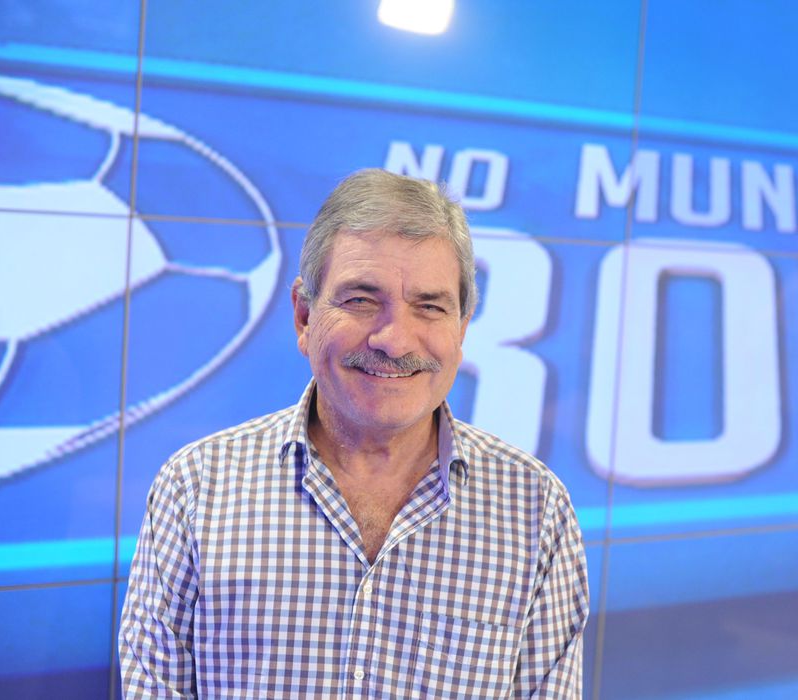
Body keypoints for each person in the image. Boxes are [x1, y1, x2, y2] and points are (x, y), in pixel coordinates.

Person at [119, 169, 589, 698]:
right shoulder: (196, 489)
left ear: (461, 329)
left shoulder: (535, 511)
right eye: (361, 301)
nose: (394, 340)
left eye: (429, 307)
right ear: (304, 316)